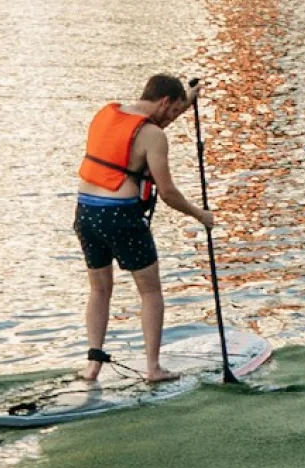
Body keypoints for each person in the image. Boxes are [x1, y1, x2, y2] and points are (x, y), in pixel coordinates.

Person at [74, 74, 215, 383]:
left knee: (99, 289)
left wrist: (187, 99)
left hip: (86, 213)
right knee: (150, 292)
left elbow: (143, 130)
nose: (173, 119)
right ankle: (153, 368)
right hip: (121, 217)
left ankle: (92, 366)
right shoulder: (154, 136)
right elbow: (167, 192)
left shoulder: (108, 113)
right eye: (174, 111)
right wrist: (200, 215)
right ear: (165, 101)